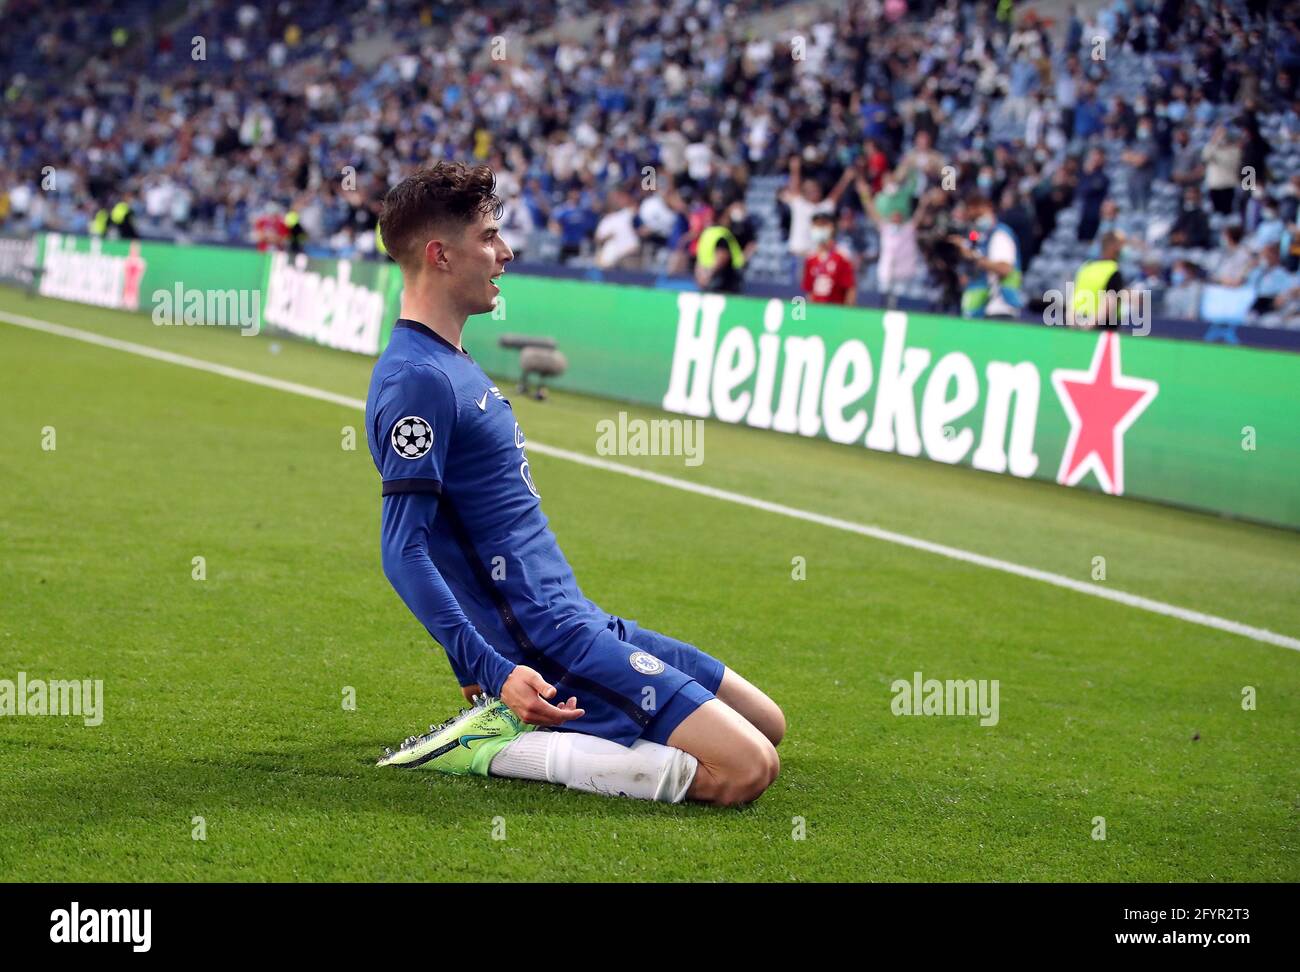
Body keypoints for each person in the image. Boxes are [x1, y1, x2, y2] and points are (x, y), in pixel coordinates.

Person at [364, 162, 783, 806]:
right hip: (544, 644)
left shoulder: (450, 359)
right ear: (440, 254)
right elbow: (405, 550)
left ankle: (517, 724)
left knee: (769, 725)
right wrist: (493, 671)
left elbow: (460, 530)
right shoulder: (417, 380)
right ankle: (497, 747)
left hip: (580, 620)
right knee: (747, 770)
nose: (505, 253)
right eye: (488, 238)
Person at [952, 194, 1023, 318]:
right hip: (983, 309)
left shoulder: (1000, 235)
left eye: (978, 215)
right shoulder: (981, 238)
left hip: (1001, 308)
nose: (976, 221)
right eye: (973, 218)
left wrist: (973, 257)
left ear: (988, 208)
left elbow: (1004, 268)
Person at [801, 212, 857, 304]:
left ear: (831, 228)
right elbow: (809, 291)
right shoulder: (810, 259)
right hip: (816, 312)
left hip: (836, 311)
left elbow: (850, 289)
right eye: (816, 225)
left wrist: (847, 314)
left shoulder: (842, 257)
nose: (818, 229)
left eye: (822, 225)